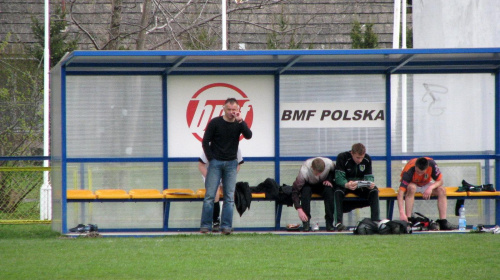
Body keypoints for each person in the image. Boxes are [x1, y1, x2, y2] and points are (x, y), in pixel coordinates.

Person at [200, 98, 252, 235]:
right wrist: (211, 159)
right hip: (216, 163)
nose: (231, 112)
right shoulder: (215, 122)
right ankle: (205, 225)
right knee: (210, 195)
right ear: (223, 108)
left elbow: (249, 135)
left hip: (231, 163)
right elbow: (205, 141)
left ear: (238, 110)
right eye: (229, 110)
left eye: (234, 110)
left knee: (229, 197)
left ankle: (226, 227)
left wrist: (241, 121)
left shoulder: (239, 123)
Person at [398, 157, 455, 230]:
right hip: (413, 184)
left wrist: (430, 188)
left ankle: (443, 221)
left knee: (442, 190)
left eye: (422, 172)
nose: (419, 174)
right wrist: (401, 213)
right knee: (411, 188)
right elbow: (400, 193)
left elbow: (440, 181)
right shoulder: (408, 170)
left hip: (425, 184)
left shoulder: (432, 164)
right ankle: (409, 219)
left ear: (427, 168)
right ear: (415, 166)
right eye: (417, 172)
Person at [334, 143, 380, 231]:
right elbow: (339, 178)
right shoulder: (342, 157)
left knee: (374, 191)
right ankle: (338, 223)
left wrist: (370, 183)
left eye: (361, 157)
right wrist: (346, 184)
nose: (360, 160)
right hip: (346, 184)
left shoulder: (367, 159)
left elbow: (369, 176)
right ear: (352, 153)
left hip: (360, 185)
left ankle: (375, 222)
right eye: (357, 157)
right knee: (337, 191)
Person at [198, 148, 244, 232]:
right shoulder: (211, 146)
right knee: (215, 193)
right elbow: (201, 165)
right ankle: (215, 221)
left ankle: (226, 224)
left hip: (227, 173)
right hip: (211, 174)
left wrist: (229, 177)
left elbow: (238, 164)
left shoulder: (235, 146)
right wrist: (210, 178)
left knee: (230, 194)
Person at [291, 157, 335, 231]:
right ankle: (306, 222)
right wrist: (299, 208)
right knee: (305, 191)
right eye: (316, 173)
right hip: (308, 184)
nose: (318, 175)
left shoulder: (330, 164)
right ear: (312, 168)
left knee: (329, 191)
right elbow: (295, 191)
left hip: (323, 183)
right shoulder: (304, 171)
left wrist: (329, 180)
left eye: (321, 172)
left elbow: (335, 172)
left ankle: (329, 223)